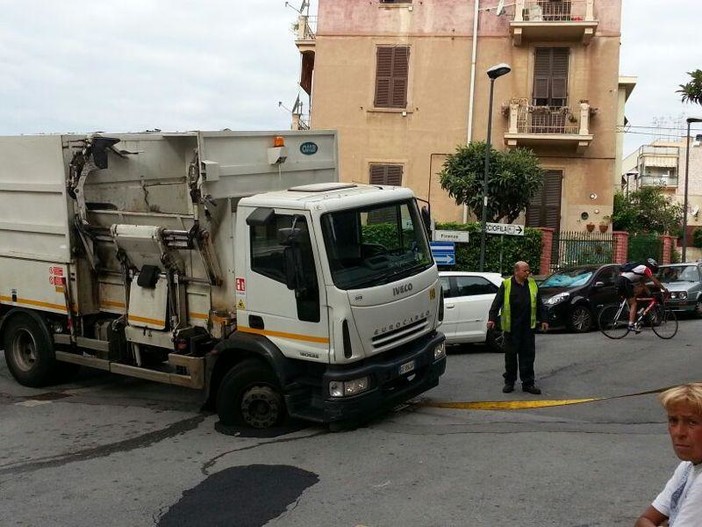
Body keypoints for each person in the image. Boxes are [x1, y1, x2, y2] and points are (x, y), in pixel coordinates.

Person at [634, 383, 702, 526]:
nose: (679, 432)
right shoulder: (687, 466)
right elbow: (644, 520)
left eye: (692, 422)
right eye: (673, 421)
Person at [487, 261, 548, 395]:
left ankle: (528, 383)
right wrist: (491, 318)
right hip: (511, 328)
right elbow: (497, 302)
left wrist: (544, 319)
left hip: (527, 328)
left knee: (528, 356)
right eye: (525, 271)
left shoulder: (532, 284)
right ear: (516, 271)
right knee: (511, 357)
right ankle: (509, 382)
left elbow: (539, 304)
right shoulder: (507, 284)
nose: (528, 273)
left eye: (528, 271)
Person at [618, 258, 668, 333]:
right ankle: (631, 325)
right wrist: (664, 289)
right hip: (625, 282)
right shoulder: (645, 269)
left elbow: (642, 283)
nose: (653, 272)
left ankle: (633, 315)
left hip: (620, 281)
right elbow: (655, 281)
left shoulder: (640, 269)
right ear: (651, 266)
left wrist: (649, 293)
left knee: (637, 292)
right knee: (634, 303)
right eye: (654, 269)